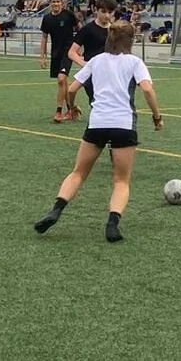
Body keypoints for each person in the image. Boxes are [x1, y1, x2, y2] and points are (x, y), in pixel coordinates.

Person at [34, 21, 162, 243]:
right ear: (131, 41)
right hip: (123, 124)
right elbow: (148, 90)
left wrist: (72, 107)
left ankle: (56, 210)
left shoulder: (96, 61)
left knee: (78, 173)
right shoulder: (134, 62)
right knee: (121, 180)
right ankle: (112, 225)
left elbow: (72, 88)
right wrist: (156, 117)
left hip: (97, 123)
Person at [68, 0, 117, 105]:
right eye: (103, 11)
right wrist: (86, 65)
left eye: (110, 12)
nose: (107, 15)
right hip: (93, 75)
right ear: (96, 10)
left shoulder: (115, 30)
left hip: (111, 74)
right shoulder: (87, 29)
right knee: (97, 104)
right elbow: (71, 52)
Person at [39, 0, 78, 123]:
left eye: (58, 1)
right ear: (50, 3)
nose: (56, 4)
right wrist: (42, 56)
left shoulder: (68, 15)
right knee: (63, 82)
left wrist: (79, 47)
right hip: (55, 53)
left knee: (61, 79)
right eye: (53, 1)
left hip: (68, 52)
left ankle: (58, 112)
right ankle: (71, 110)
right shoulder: (47, 19)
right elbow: (44, 37)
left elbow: (80, 29)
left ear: (62, 3)